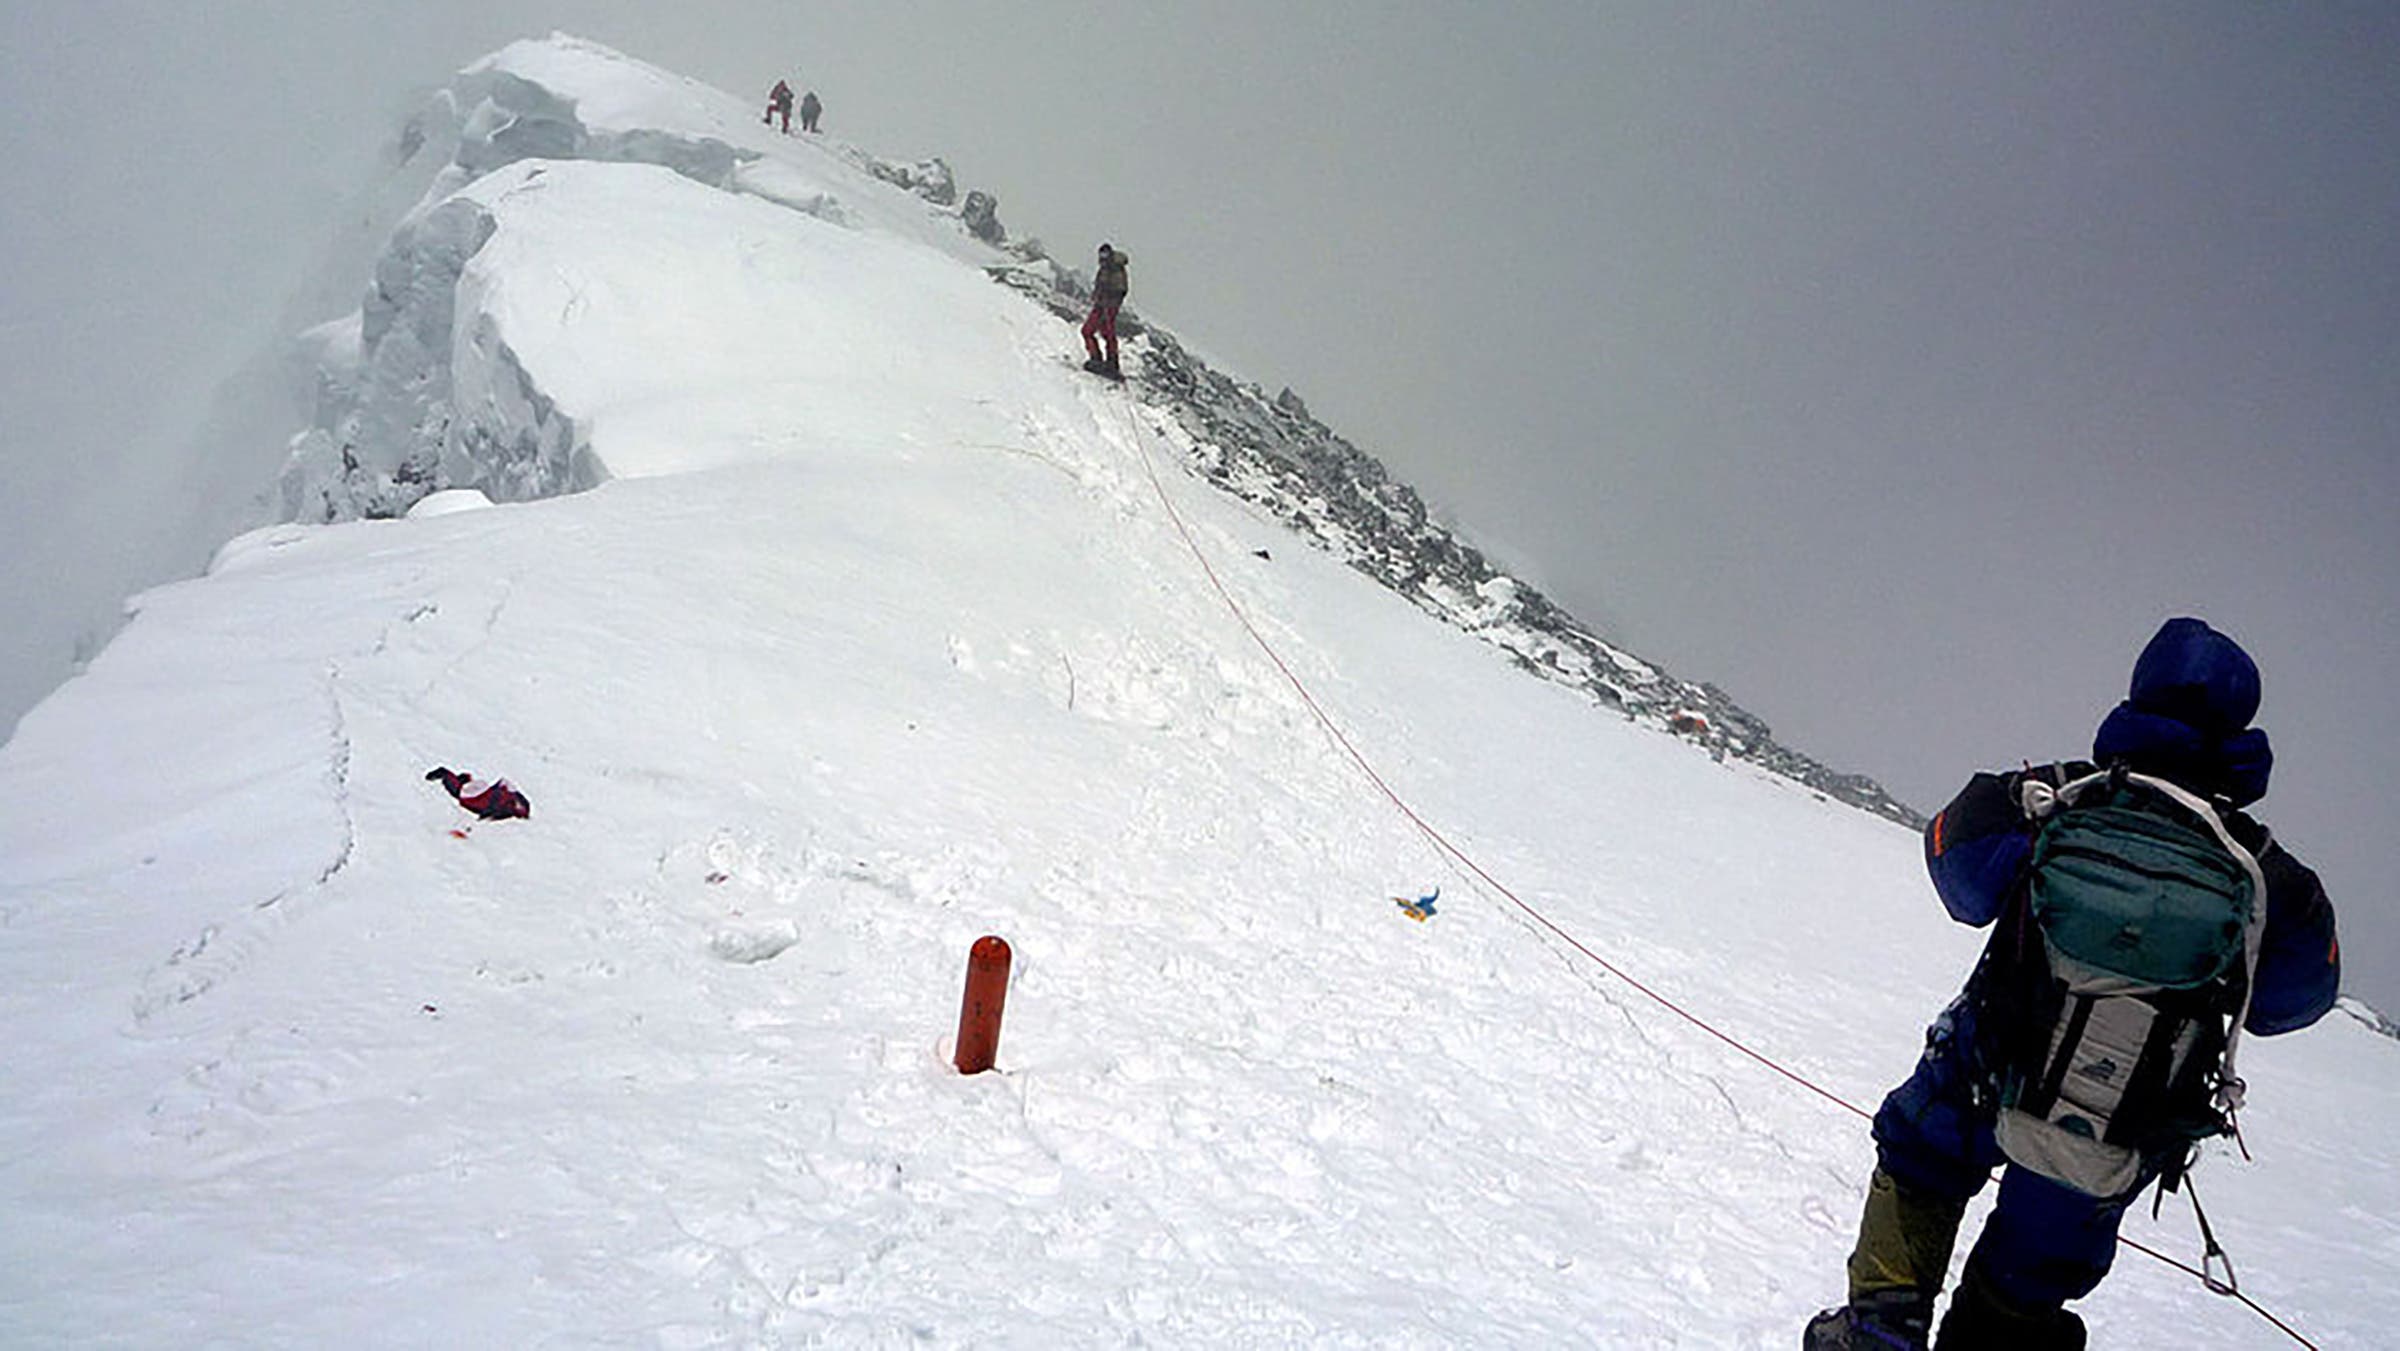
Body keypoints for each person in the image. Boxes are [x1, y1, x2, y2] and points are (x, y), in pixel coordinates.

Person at [1805, 617, 2339, 1351]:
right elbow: (2294, 1000)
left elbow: (1959, 878)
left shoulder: (2054, 797)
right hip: (2120, 1118)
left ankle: (1879, 1328)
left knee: (1922, 1161)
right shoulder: (2270, 875)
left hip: (1982, 1065)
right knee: (2033, 1269)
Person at [1082, 243, 1131, 379]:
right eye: (1101, 255)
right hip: (1100, 305)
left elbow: (1121, 290)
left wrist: (1108, 299)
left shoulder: (1116, 269)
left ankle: (1112, 362)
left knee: (1107, 332)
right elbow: (1100, 284)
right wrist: (1097, 295)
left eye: (1105, 255)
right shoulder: (1104, 268)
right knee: (1088, 330)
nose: (1102, 258)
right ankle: (1096, 358)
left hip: (1109, 306)